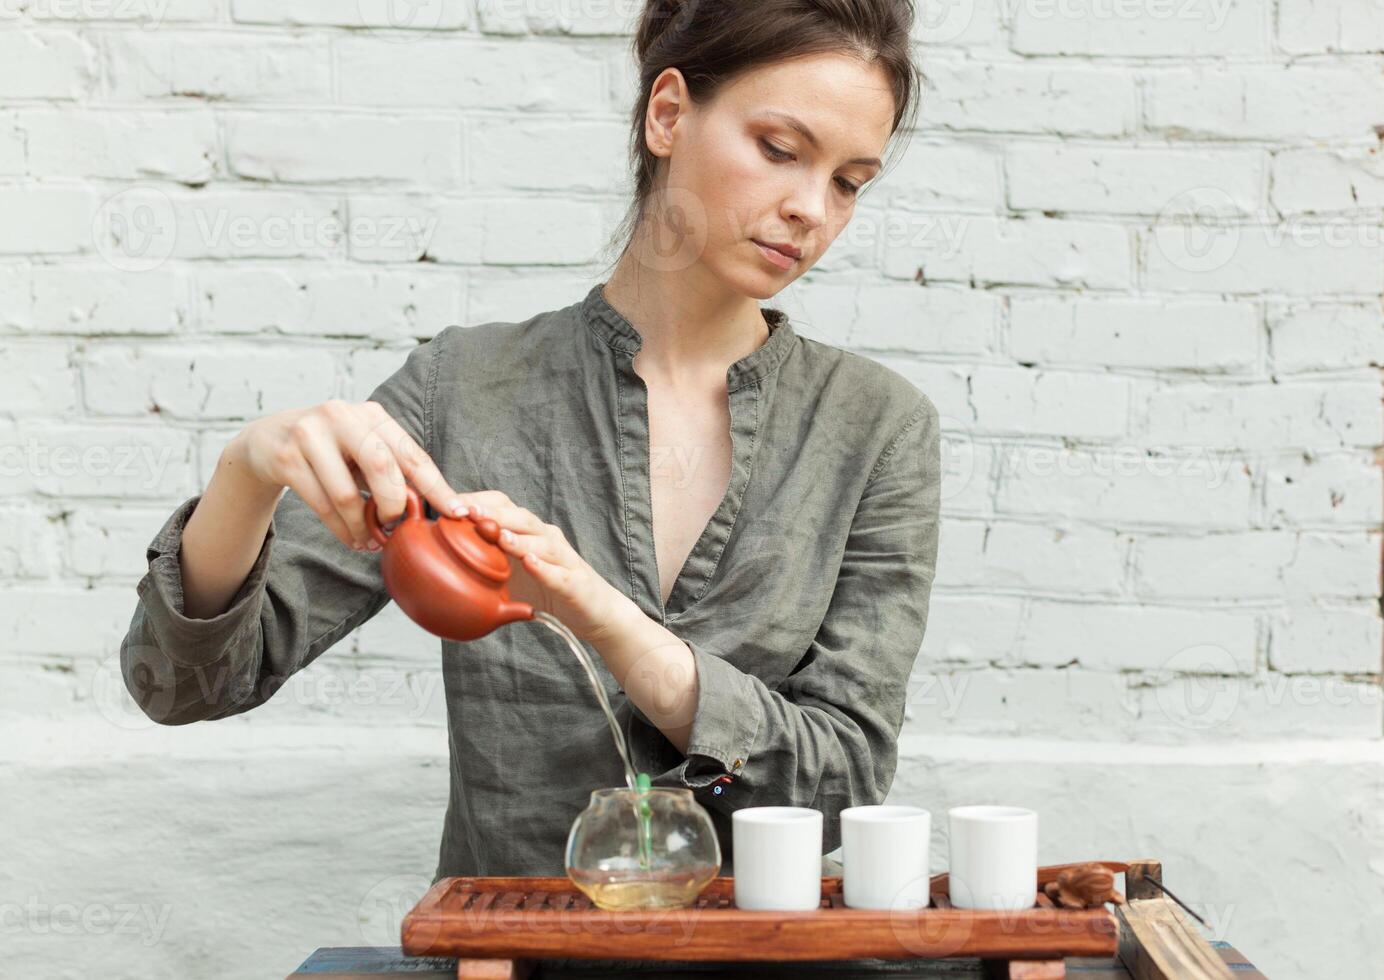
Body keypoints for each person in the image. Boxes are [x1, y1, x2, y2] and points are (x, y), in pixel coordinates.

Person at [120, 0, 940, 882]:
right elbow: (186, 686)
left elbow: (841, 781)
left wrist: (605, 618)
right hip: (506, 956)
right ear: (669, 115)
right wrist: (246, 475)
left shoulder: (878, 428)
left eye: (850, 181)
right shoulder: (462, 391)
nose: (810, 209)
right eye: (780, 150)